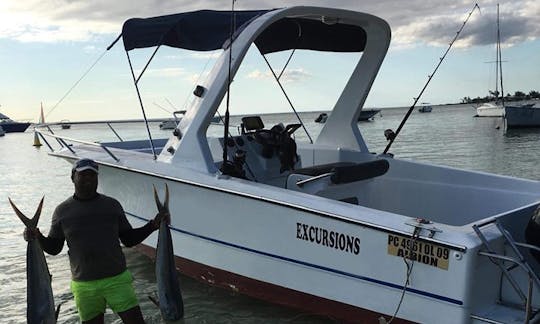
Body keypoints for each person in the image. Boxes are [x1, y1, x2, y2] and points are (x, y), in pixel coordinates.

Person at [24, 158, 169, 324]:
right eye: (83, 175)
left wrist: (152, 225)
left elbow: (128, 239)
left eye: (92, 175)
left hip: (117, 280)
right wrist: (37, 237)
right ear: (73, 177)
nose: (88, 179)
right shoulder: (62, 211)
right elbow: (54, 248)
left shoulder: (112, 205)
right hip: (84, 286)